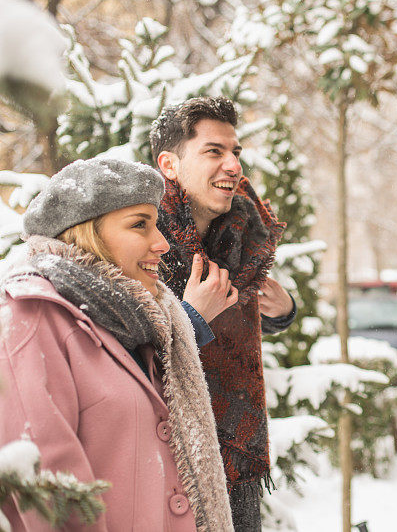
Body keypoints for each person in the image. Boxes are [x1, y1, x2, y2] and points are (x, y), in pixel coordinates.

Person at [0, 158, 234, 531]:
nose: (162, 243)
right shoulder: (33, 316)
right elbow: (50, 495)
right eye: (140, 224)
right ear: (84, 233)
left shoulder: (141, 321)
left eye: (156, 224)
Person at [150, 95, 295, 530]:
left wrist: (281, 312)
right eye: (214, 151)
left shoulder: (243, 233)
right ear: (170, 165)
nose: (233, 165)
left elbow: (236, 325)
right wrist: (191, 316)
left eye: (236, 152)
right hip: (166, 460)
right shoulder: (142, 240)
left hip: (236, 459)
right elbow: (126, 358)